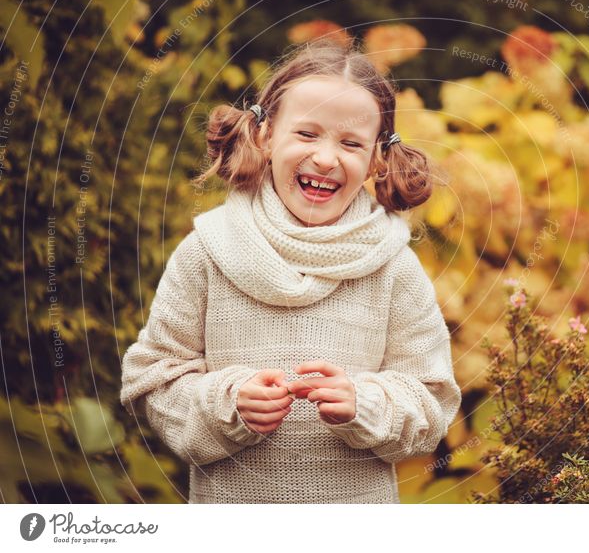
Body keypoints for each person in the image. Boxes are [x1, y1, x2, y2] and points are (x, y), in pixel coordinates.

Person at [119, 37, 461, 504]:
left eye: (351, 143)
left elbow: (433, 399)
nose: (325, 157)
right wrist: (227, 403)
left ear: (376, 159)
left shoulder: (392, 266)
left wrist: (368, 404)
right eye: (306, 133)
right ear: (264, 135)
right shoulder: (209, 251)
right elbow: (152, 378)